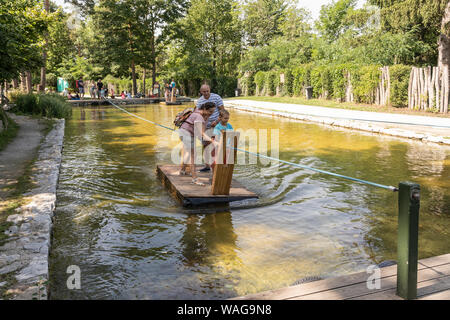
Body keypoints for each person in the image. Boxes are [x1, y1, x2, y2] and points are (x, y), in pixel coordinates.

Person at [178, 102, 219, 186]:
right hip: (186, 133)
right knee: (194, 155)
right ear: (204, 109)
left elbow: (202, 132)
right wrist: (213, 141)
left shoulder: (205, 116)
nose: (211, 114)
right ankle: (194, 178)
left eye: (213, 112)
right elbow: (201, 134)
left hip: (187, 132)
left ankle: (182, 170)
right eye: (210, 111)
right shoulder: (199, 117)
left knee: (189, 153)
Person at [195, 84, 225, 172]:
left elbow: (223, 111)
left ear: (210, 90)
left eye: (207, 91)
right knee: (205, 145)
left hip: (217, 125)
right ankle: (207, 165)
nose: (206, 93)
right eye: (204, 92)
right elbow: (199, 113)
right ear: (201, 92)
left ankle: (217, 166)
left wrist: (217, 122)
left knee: (215, 145)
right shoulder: (200, 101)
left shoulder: (216, 97)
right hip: (205, 125)